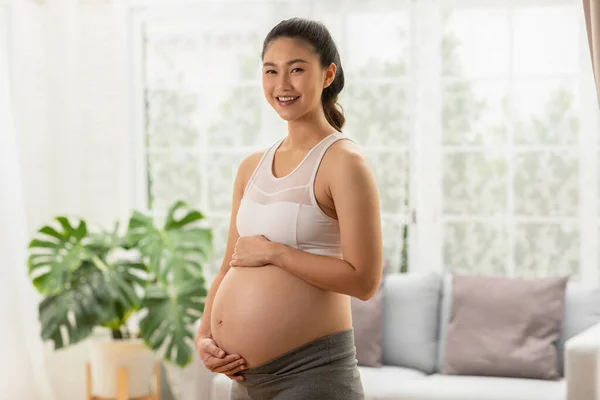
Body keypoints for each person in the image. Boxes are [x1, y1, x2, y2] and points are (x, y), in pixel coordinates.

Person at [194, 17, 383, 400]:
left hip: (312, 375)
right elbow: (229, 264)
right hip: (243, 379)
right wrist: (204, 336)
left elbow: (364, 280)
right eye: (271, 71)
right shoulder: (251, 167)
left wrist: (277, 253)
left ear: (328, 74)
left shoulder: (343, 162)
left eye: (297, 69)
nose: (282, 84)